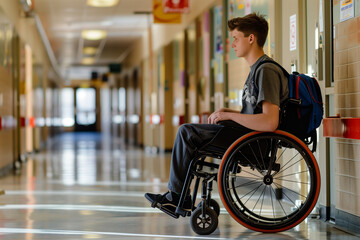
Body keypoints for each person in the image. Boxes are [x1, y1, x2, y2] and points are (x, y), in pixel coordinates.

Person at [145, 13, 289, 217]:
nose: (232, 45)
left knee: (187, 132)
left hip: (252, 142)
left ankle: (176, 197)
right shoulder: (256, 69)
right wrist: (229, 112)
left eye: (236, 39)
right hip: (245, 134)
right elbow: (255, 114)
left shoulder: (266, 71)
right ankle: (179, 196)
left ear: (251, 38)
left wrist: (230, 118)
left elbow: (269, 121)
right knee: (191, 132)